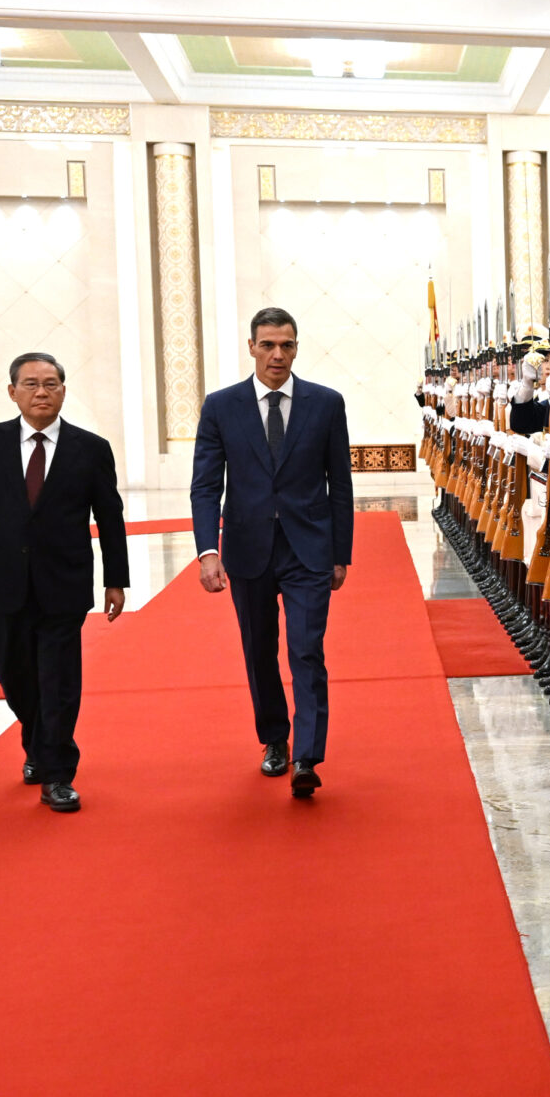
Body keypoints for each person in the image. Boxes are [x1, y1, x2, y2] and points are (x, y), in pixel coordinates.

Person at [0, 351, 128, 813]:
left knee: (59, 679)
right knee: (13, 673)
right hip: (4, 580)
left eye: (51, 384)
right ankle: (37, 740)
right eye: (31, 384)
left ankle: (57, 772)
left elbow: (110, 518)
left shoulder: (91, 448)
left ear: (63, 391)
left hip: (64, 583)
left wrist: (116, 579)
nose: (42, 392)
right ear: (13, 392)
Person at [191, 307, 355, 799]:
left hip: (309, 549)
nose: (277, 354)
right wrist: (207, 551)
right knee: (259, 650)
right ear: (252, 348)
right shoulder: (221, 406)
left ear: (297, 348)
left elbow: (340, 484)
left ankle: (307, 756)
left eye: (286, 345)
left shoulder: (326, 404)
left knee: (306, 650)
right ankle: (275, 740)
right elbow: (206, 486)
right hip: (247, 550)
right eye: (268, 345)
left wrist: (341, 553)